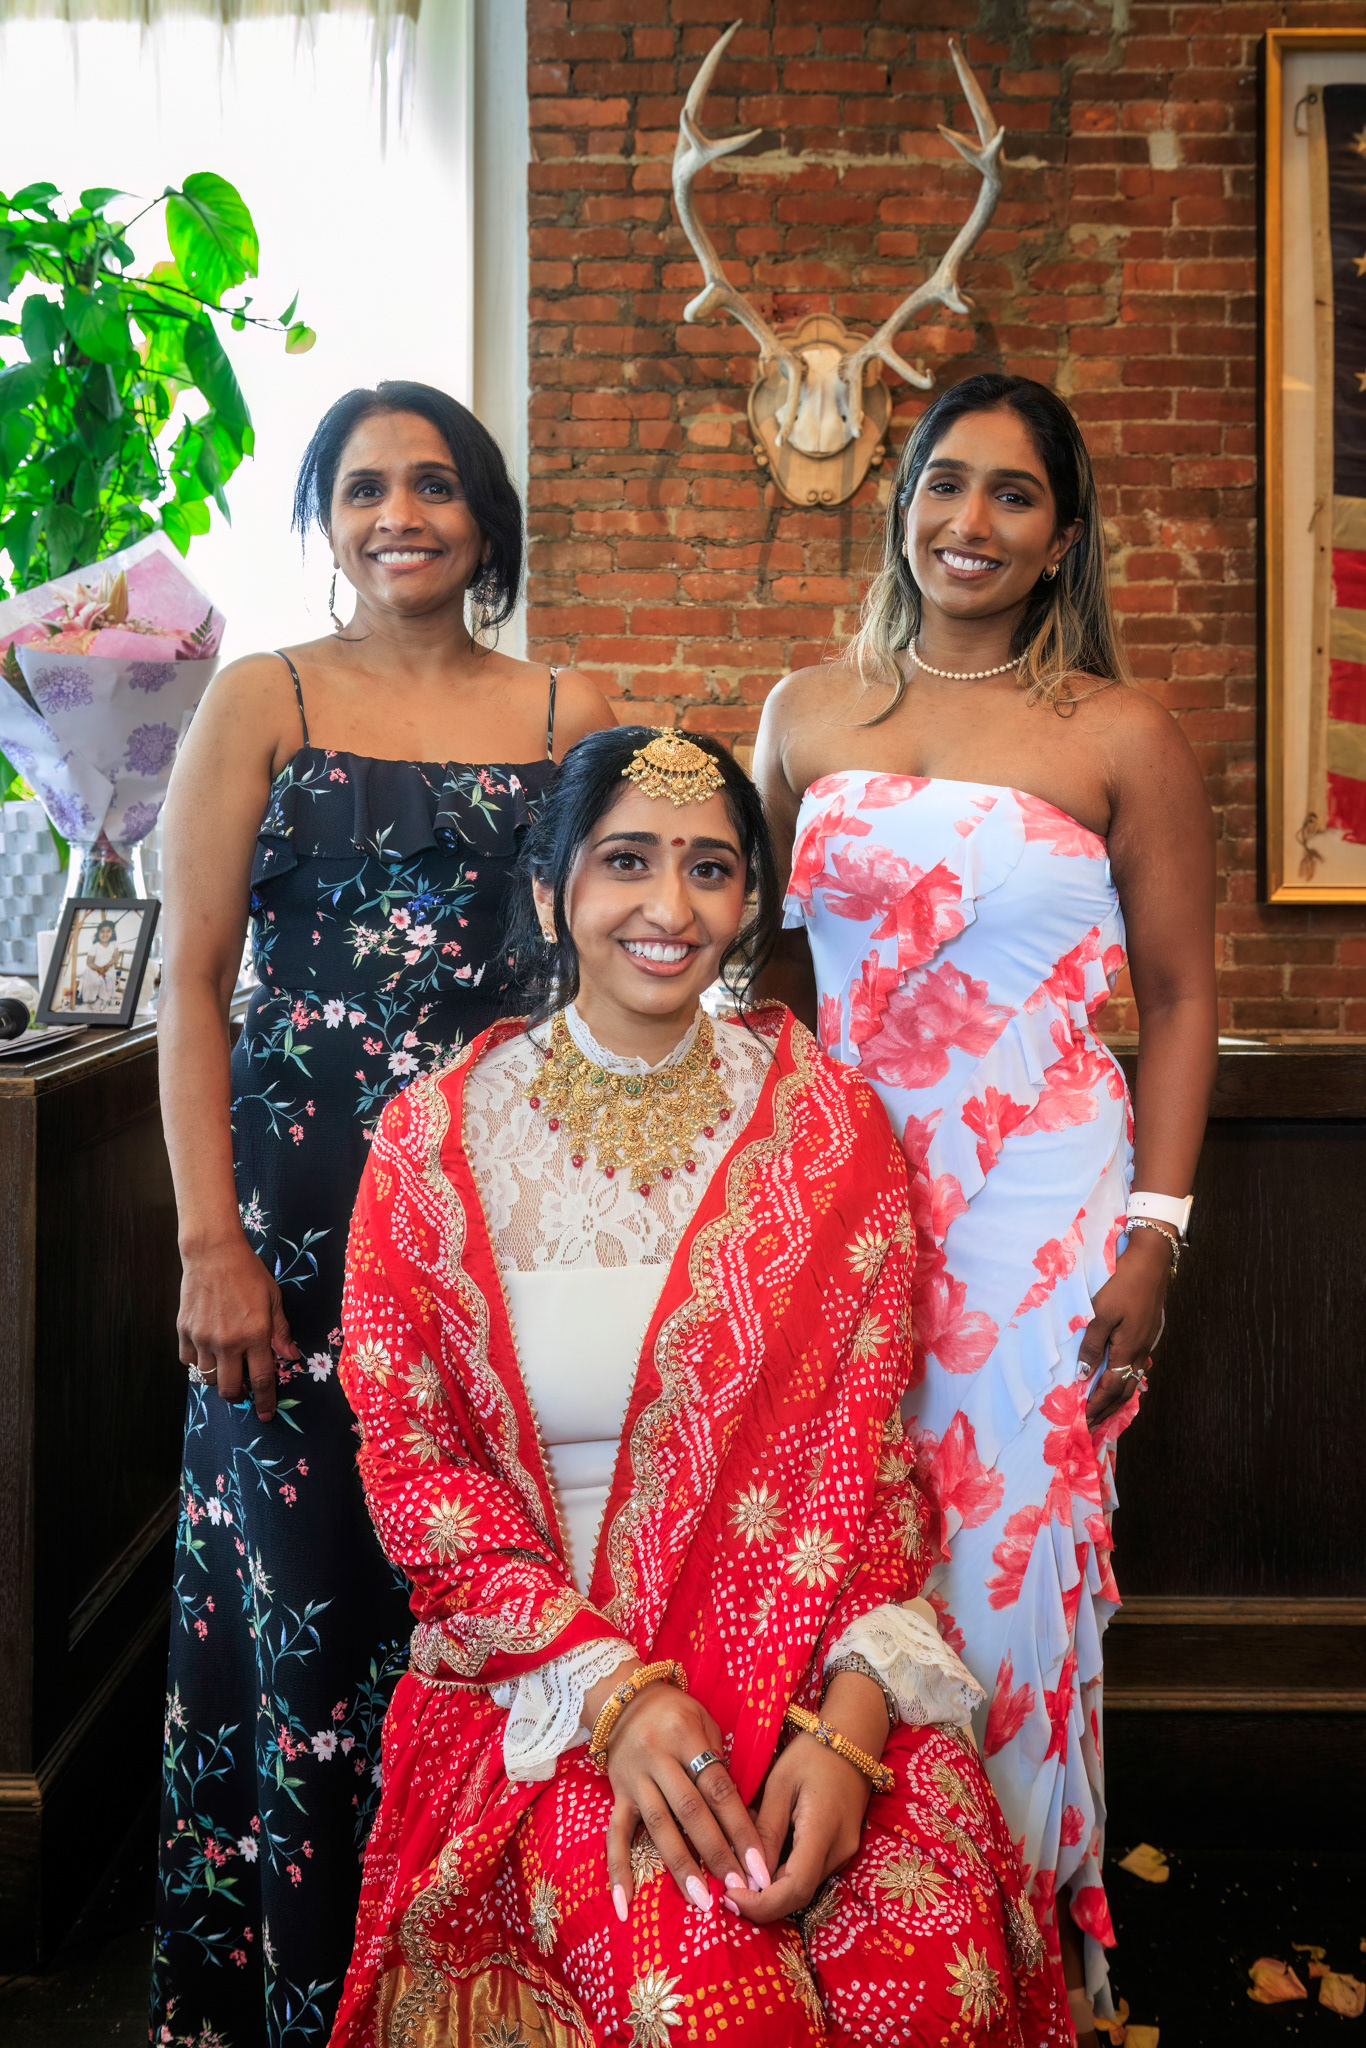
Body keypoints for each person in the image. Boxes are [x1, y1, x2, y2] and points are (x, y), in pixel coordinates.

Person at [328, 726, 1069, 2048]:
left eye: (709, 868)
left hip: (801, 1664)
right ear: (551, 892)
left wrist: (848, 1728)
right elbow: (413, 1466)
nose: (669, 907)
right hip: (553, 1683)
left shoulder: (827, 1128)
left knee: (930, 1969)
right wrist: (613, 1693)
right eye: (626, 861)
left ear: (749, 902)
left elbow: (865, 1469)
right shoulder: (433, 1143)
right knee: (706, 2004)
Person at [753, 373, 1217, 2041]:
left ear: (1060, 537)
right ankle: (858, 1944)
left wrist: (1155, 1232)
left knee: (1003, 1566)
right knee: (838, 1545)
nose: (970, 520)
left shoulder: (1117, 733)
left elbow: (1180, 997)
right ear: (902, 507)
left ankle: (1011, 1956)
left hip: (1040, 1218)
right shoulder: (803, 713)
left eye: (1012, 495)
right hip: (844, 1201)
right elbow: (763, 981)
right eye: (944, 483)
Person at [151, 381, 614, 2044]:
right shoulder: (258, 700)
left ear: (486, 518)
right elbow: (190, 984)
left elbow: (622, 973)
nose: (398, 515)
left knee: (488, 1623)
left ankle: (485, 2002)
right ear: (325, 520)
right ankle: (292, 2006)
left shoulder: (573, 708)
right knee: (305, 1625)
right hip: (287, 1243)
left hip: (503, 1247)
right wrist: (211, 1245)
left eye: (433, 485)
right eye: (362, 488)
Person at [76, 915, 121, 1009]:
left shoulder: (114, 944)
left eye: (108, 931)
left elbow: (114, 958)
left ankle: (105, 996)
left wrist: (105, 968)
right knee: (96, 980)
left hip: (108, 967)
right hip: (94, 968)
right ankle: (93, 997)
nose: (105, 934)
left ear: (112, 932)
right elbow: (89, 962)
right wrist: (99, 970)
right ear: (98, 933)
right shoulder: (95, 946)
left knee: (110, 977)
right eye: (102, 931)